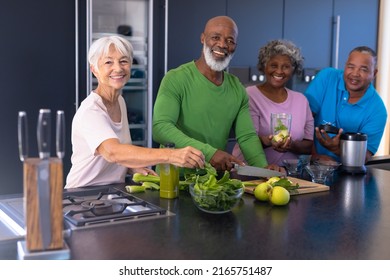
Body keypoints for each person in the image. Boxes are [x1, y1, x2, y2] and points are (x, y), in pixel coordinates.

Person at [65, 36, 205, 189]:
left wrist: (132, 167)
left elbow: (119, 153)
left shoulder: (119, 101)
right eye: (108, 62)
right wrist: (171, 155)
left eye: (123, 61)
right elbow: (112, 152)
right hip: (82, 196)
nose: (118, 68)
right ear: (94, 69)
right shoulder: (91, 111)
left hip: (111, 192)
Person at [152, 16, 279, 173]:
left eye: (230, 40)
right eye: (215, 37)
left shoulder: (237, 88)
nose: (222, 44)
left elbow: (247, 137)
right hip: (172, 181)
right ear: (203, 38)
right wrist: (210, 153)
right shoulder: (176, 78)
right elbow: (160, 128)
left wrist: (264, 170)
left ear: (235, 46)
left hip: (213, 185)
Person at [232, 39, 314, 165]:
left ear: (294, 69)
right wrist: (268, 141)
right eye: (273, 65)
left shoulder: (301, 100)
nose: (279, 71)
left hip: (288, 176)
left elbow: (308, 146)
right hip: (250, 174)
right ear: (264, 67)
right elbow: (246, 139)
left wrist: (290, 145)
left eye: (286, 66)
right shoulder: (250, 95)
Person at [304, 46, 387, 162]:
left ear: (374, 73)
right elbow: (304, 121)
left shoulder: (378, 111)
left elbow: (365, 156)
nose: (355, 74)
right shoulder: (327, 77)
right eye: (351, 67)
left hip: (344, 172)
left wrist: (336, 149)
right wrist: (314, 156)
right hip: (306, 163)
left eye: (363, 69)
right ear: (345, 66)